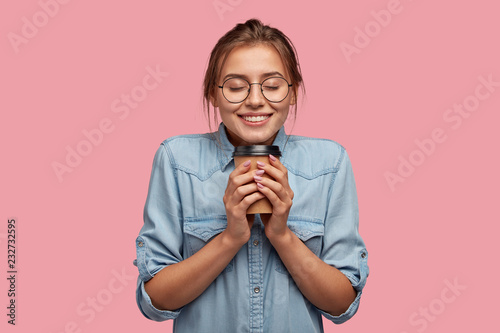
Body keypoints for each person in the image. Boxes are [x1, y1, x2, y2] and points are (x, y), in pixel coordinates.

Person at [134, 18, 369, 333]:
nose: (255, 100)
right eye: (235, 86)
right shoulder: (177, 160)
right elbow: (154, 303)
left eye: (272, 85)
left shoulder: (329, 163)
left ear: (293, 92)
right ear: (213, 94)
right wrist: (230, 238)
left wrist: (282, 236)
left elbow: (342, 306)